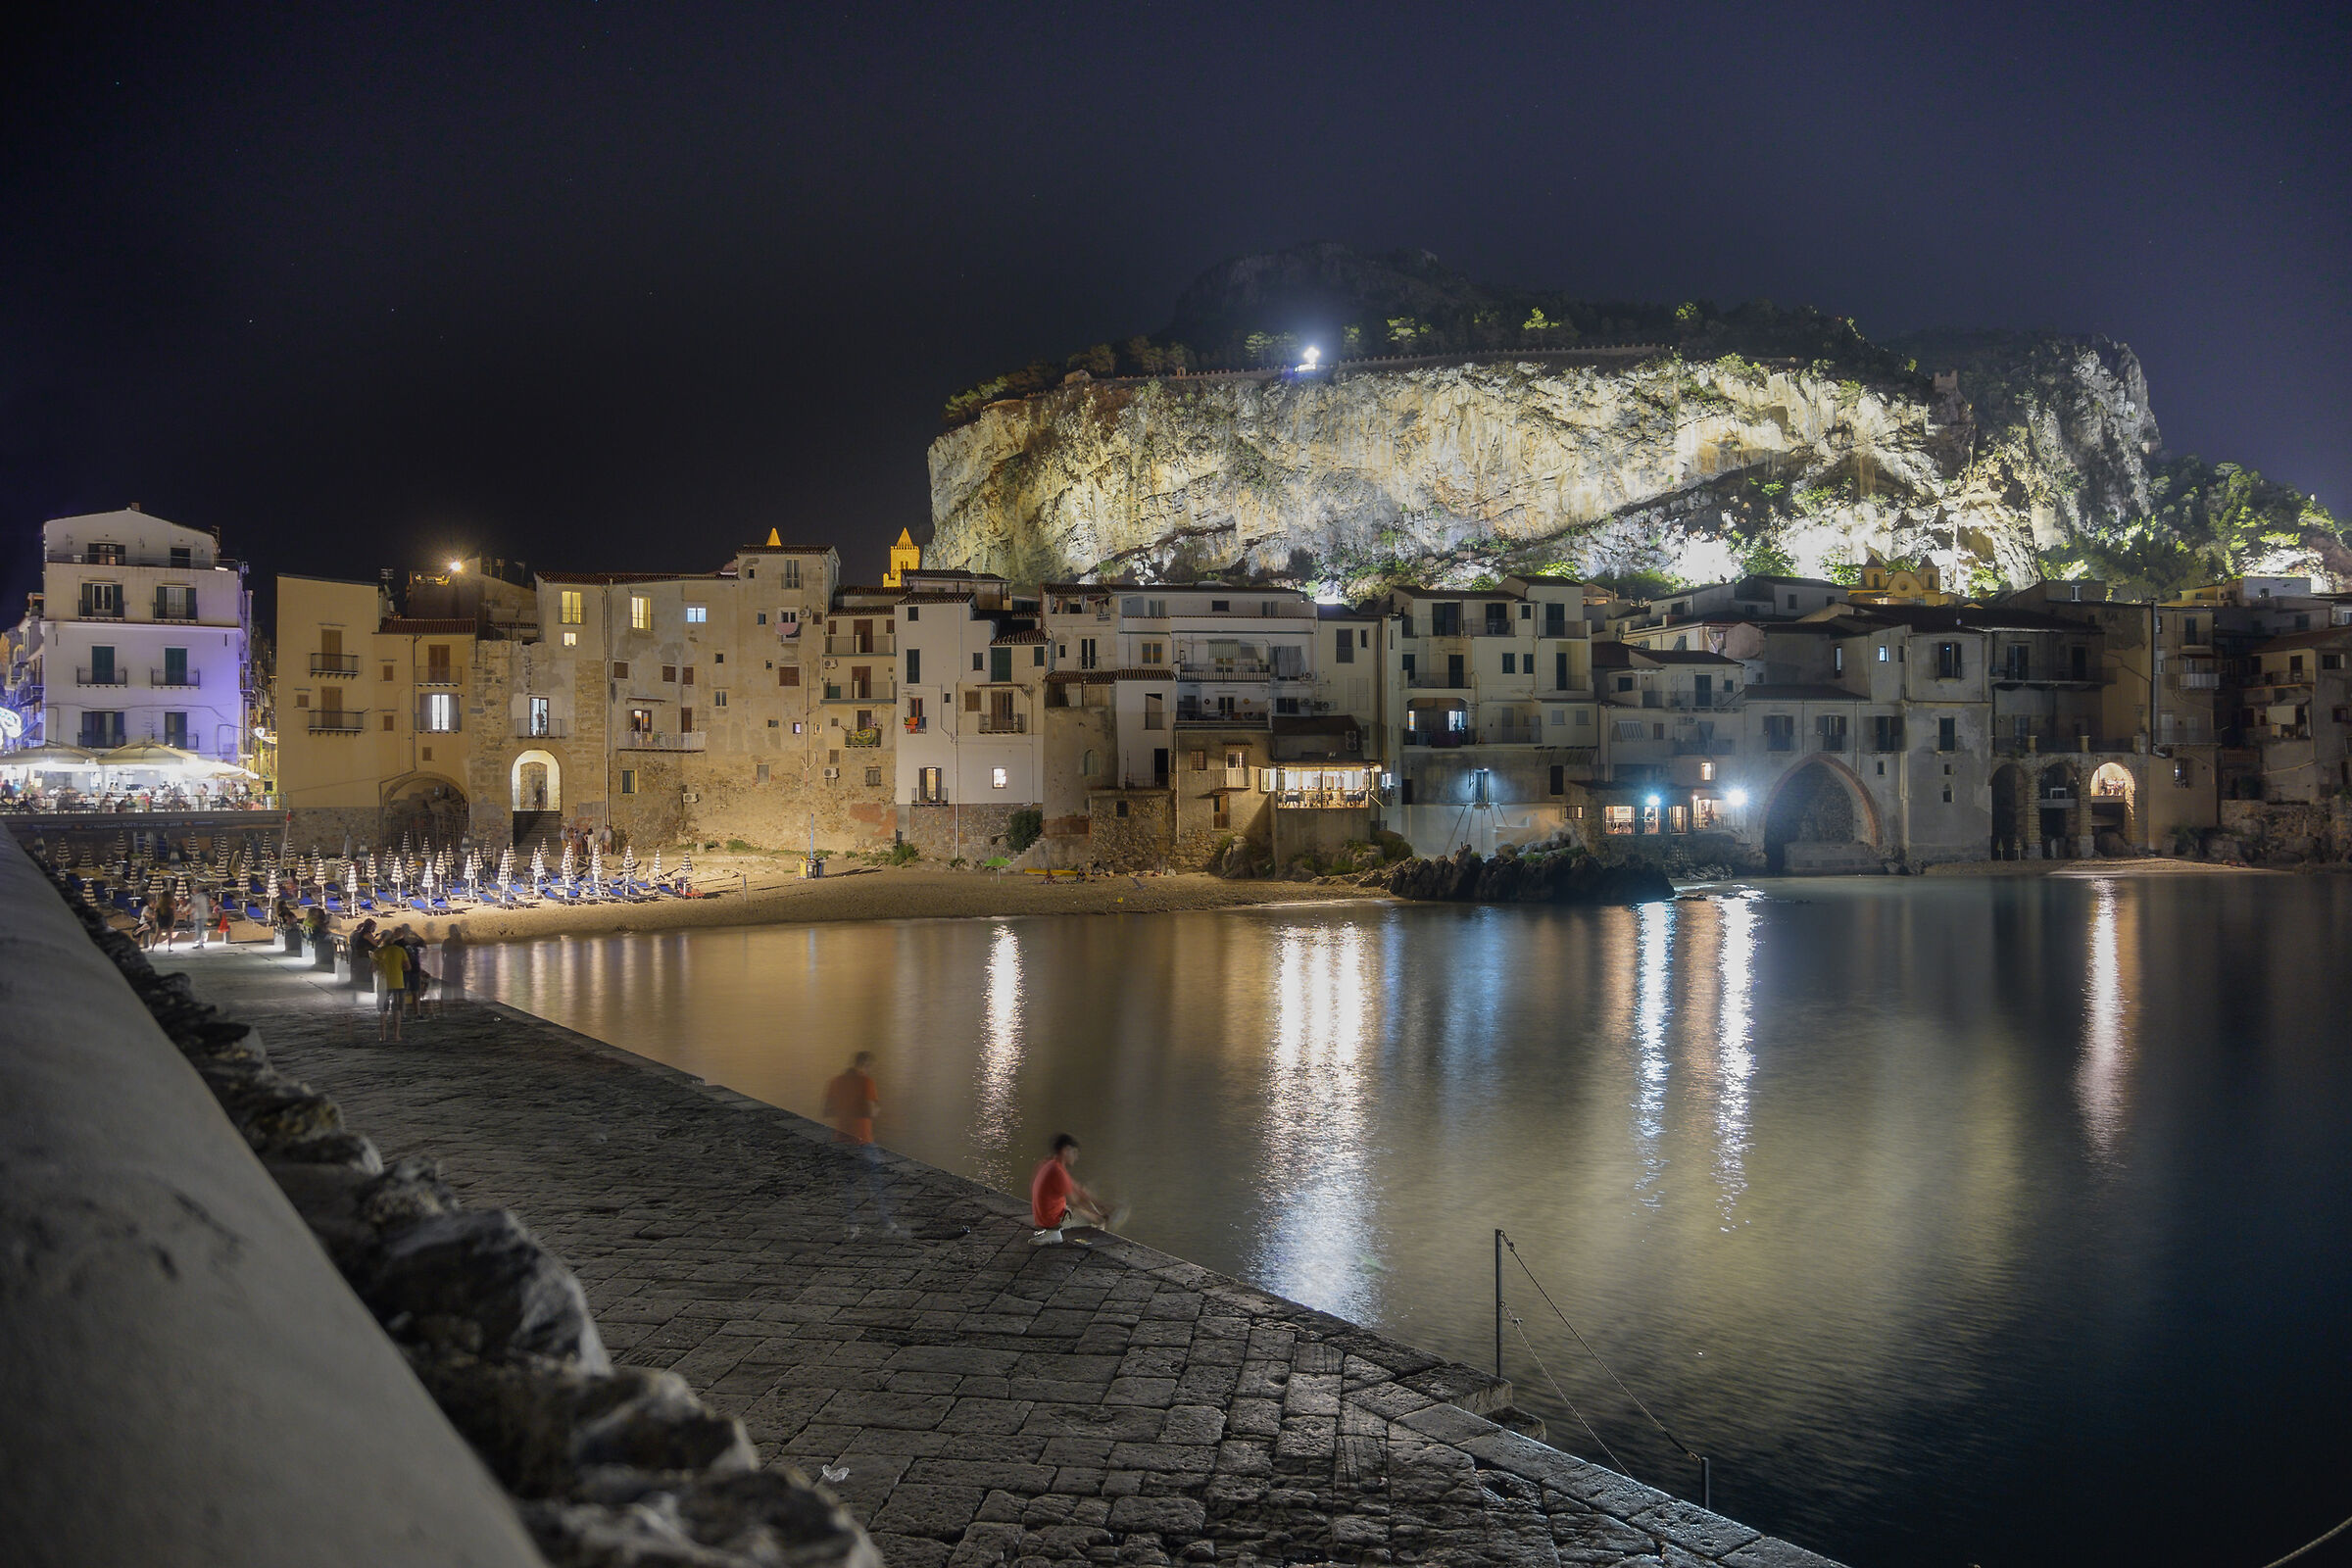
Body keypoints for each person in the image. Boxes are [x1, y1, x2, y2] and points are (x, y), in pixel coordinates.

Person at [823, 1052, 901, 1237]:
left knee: (848, 1184)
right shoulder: (866, 1082)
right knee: (876, 1182)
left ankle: (852, 1226)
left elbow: (827, 1111)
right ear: (865, 1065)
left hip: (841, 1139)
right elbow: (869, 1111)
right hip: (862, 1139)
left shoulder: (836, 1082)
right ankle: (885, 1223)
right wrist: (877, 1108)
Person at [1030, 1133, 1112, 1247]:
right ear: (1066, 1150)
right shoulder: (1058, 1172)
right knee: (1091, 1218)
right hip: (1051, 1220)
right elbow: (1076, 1202)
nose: (1076, 1157)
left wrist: (1101, 1205)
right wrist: (1097, 1217)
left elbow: (1077, 1189)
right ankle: (1054, 1234)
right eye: (1074, 1152)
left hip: (1041, 1217)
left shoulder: (1048, 1164)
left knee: (1083, 1198)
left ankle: (1050, 1231)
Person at [372, 931, 410, 1040]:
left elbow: (372, 969)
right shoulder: (400, 950)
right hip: (398, 982)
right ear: (393, 939)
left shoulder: (378, 952)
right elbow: (407, 967)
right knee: (396, 1009)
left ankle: (382, 1035)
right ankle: (396, 1035)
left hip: (383, 984)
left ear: (383, 939)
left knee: (383, 1010)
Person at [438, 923, 468, 1009]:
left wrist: (464, 966)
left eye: (453, 930)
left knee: (457, 984)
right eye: (451, 930)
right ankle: (449, 1003)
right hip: (449, 965)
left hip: (456, 965)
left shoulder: (459, 942)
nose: (452, 932)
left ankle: (457, 1002)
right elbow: (443, 954)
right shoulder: (447, 941)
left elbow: (464, 955)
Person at [189, 883, 213, 949]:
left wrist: (190, 912)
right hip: (203, 915)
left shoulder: (197, 897)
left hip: (199, 915)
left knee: (199, 929)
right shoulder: (204, 897)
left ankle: (198, 943)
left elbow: (194, 905)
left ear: (196, 890)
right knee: (201, 929)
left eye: (193, 890)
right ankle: (200, 943)